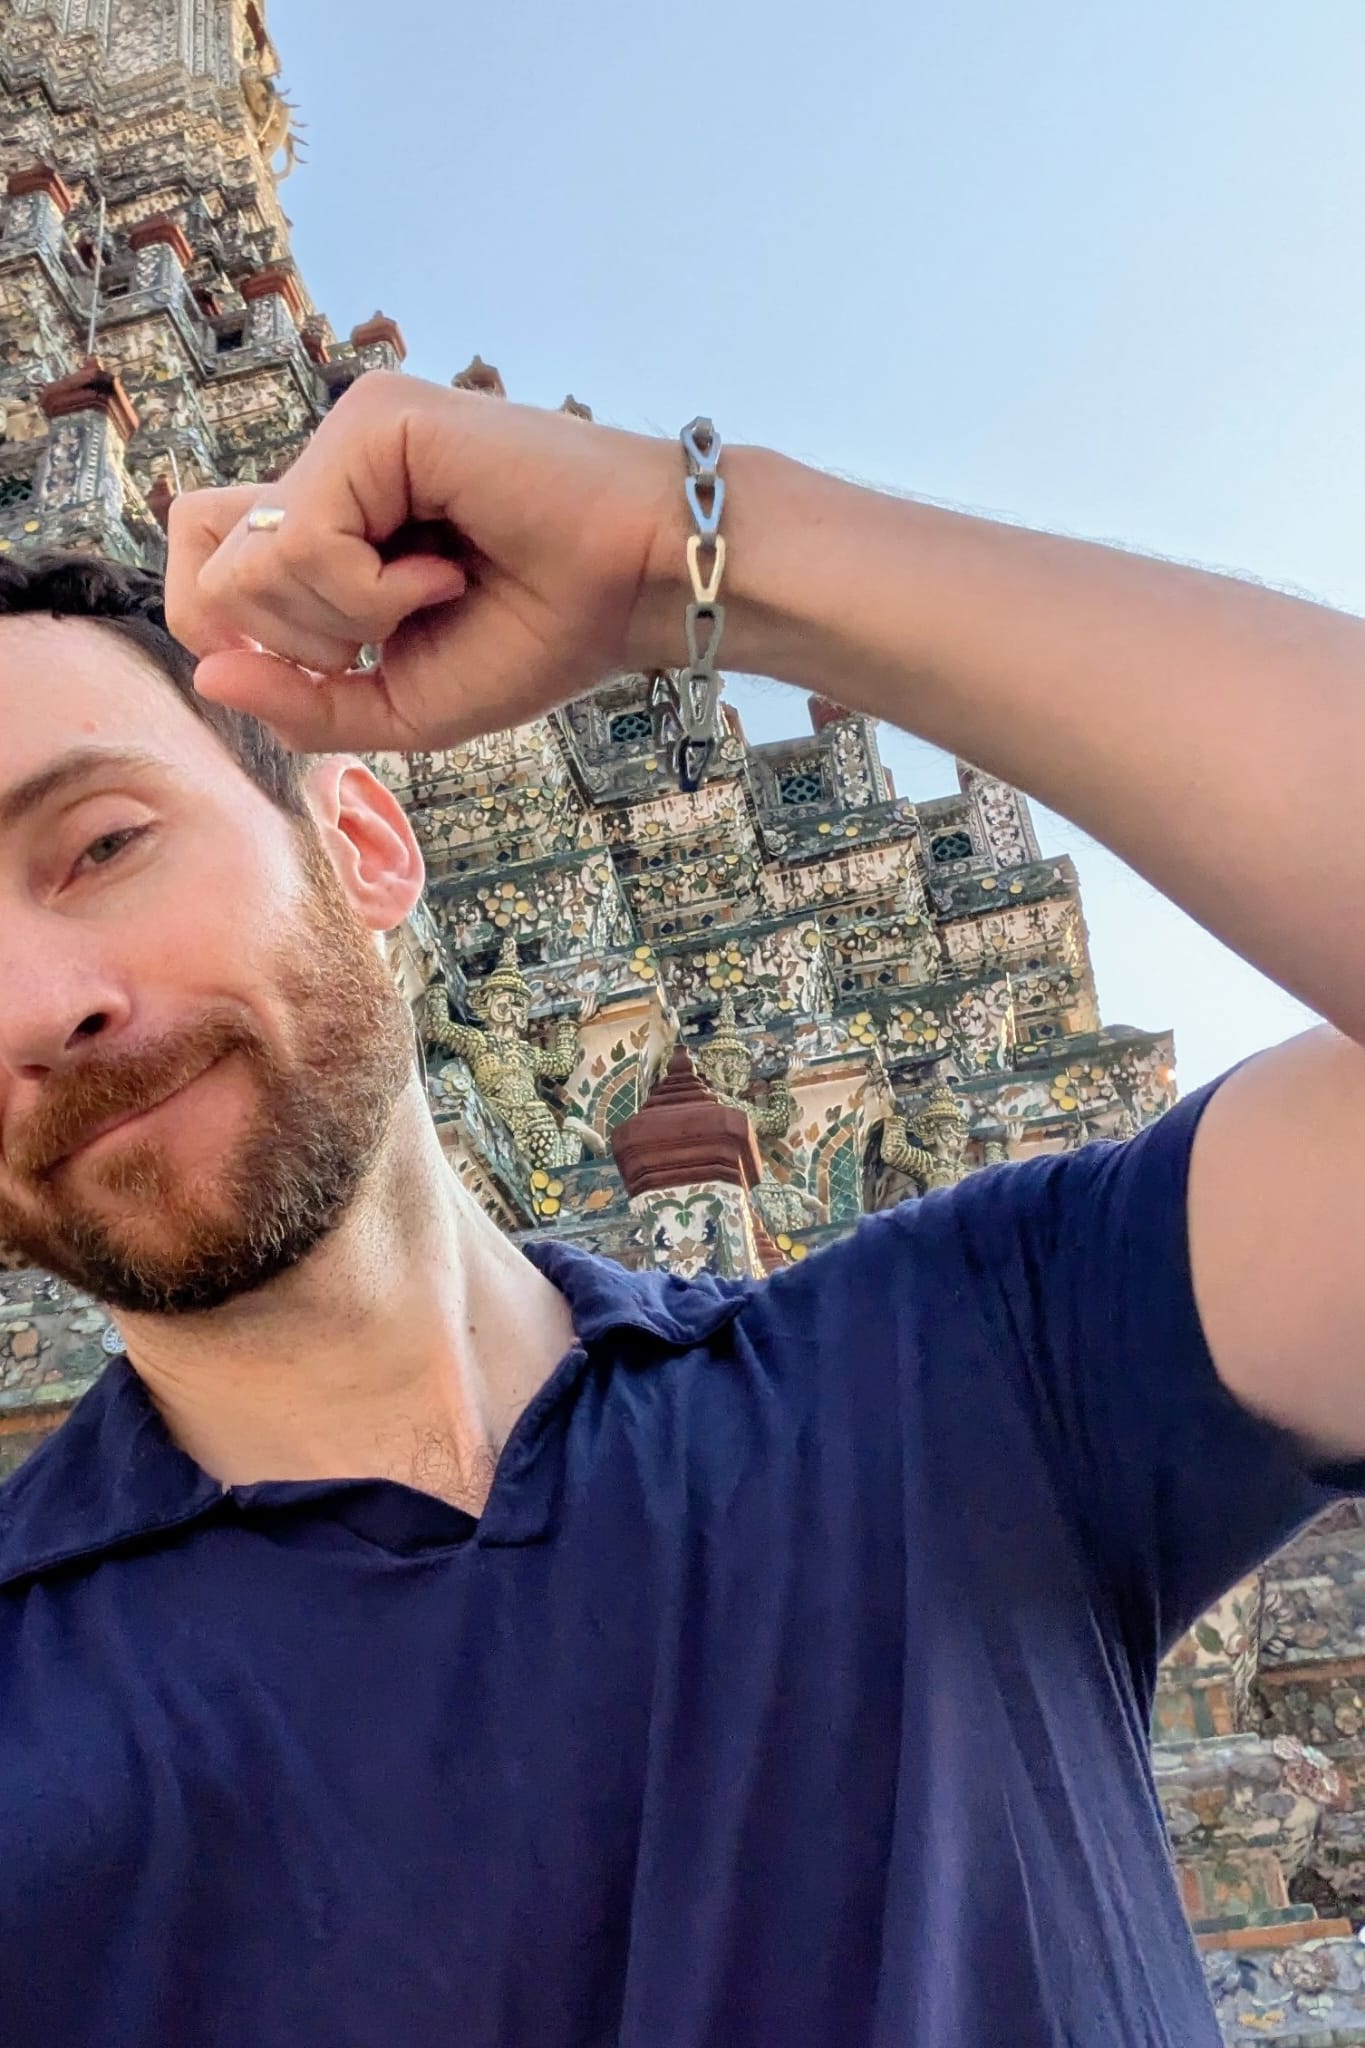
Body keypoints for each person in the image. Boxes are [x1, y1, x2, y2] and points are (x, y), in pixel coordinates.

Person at [0, 371, 1361, 2048]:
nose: (36, 1007)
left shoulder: (963, 1371)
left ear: (360, 847)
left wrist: (706, 546)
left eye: (101, 845)